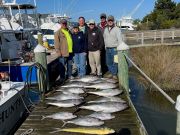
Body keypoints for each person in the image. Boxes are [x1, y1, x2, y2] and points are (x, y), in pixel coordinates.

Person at [103, 15, 123, 80]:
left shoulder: (117, 29)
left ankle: (114, 74)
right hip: (107, 48)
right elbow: (104, 38)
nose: (110, 21)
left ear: (113, 21)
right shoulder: (105, 29)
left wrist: (119, 48)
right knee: (108, 62)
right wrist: (105, 46)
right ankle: (112, 73)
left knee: (115, 62)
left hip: (115, 48)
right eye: (109, 20)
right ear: (107, 21)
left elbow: (120, 39)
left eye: (111, 20)